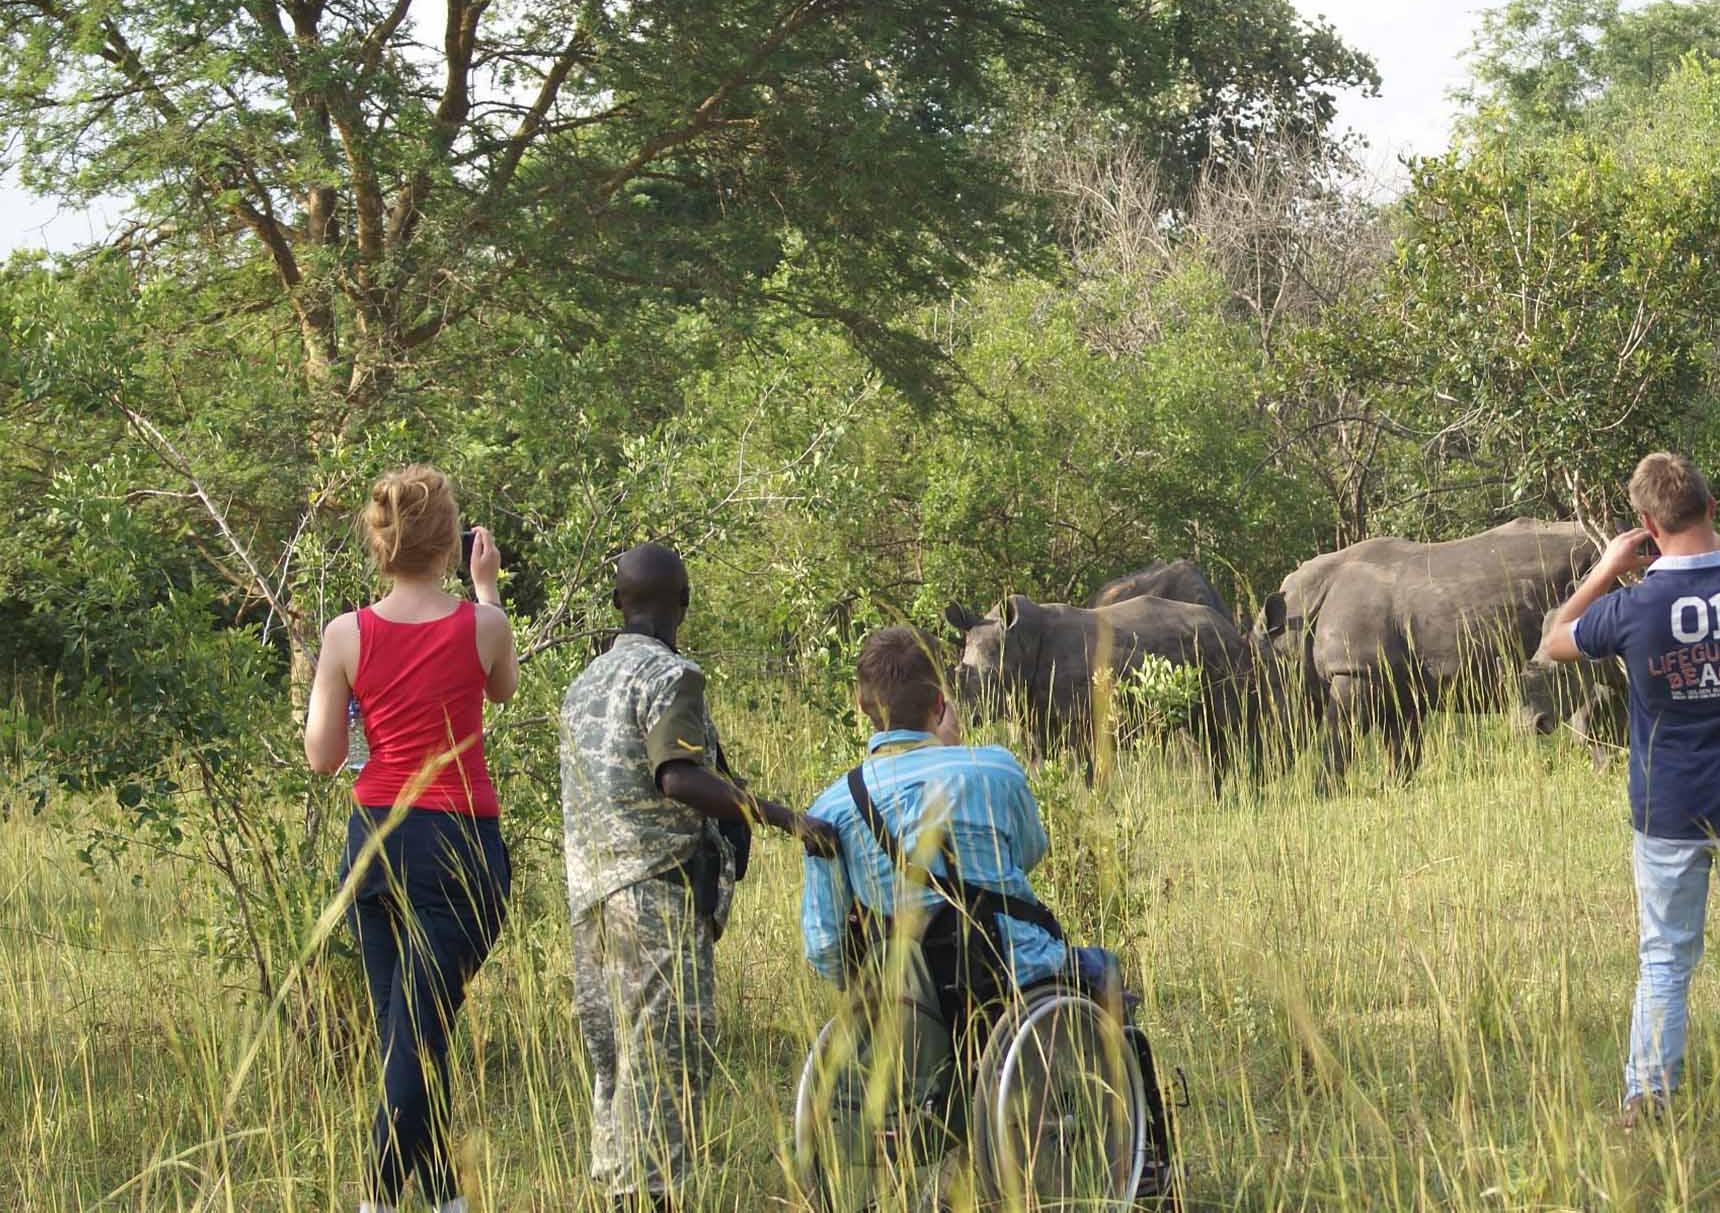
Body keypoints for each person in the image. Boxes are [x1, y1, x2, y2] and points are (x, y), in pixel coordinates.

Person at [1538, 452, 1720, 1126]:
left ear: (1645, 523)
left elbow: (1553, 639)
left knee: (1664, 957)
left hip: (1666, 812)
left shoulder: (1633, 607)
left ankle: (1648, 1097)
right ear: (1712, 507)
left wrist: (1608, 568)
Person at [559, 541, 835, 1213]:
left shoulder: (582, 685)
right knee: (662, 1066)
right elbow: (677, 777)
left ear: (617, 603)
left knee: (614, 1066)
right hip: (655, 898)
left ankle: (620, 1191)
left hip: (591, 901)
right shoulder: (673, 676)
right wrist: (782, 817)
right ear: (683, 604)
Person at [304, 465, 517, 1213]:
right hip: (459, 846)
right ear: (451, 542)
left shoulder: (343, 634)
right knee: (417, 1033)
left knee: (412, 1029)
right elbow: (502, 687)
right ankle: (382, 1198)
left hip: (373, 846)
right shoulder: (482, 625)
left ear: (379, 541)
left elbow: (323, 755)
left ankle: (431, 1199)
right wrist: (485, 587)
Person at [799, 623, 1121, 1033]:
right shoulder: (996, 768)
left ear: (861, 705)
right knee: (1105, 968)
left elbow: (825, 943)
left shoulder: (831, 807)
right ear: (940, 702)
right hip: (1020, 979)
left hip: (908, 1005)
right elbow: (1028, 854)